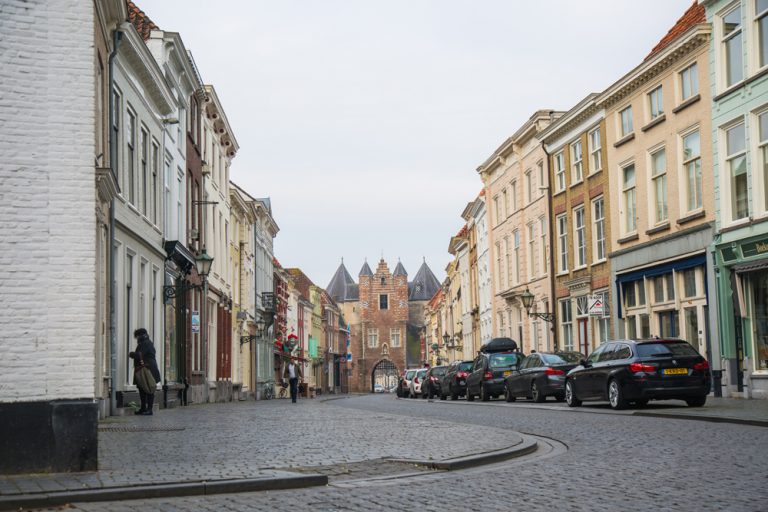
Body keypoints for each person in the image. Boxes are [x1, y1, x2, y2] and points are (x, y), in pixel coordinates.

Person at [129, 328, 161, 415]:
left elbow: (140, 355)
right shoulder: (147, 343)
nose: (137, 339)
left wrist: (131, 354)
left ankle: (149, 409)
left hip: (147, 370)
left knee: (149, 388)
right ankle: (143, 408)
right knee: (142, 389)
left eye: (137, 337)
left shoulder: (145, 343)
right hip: (145, 369)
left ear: (140, 336)